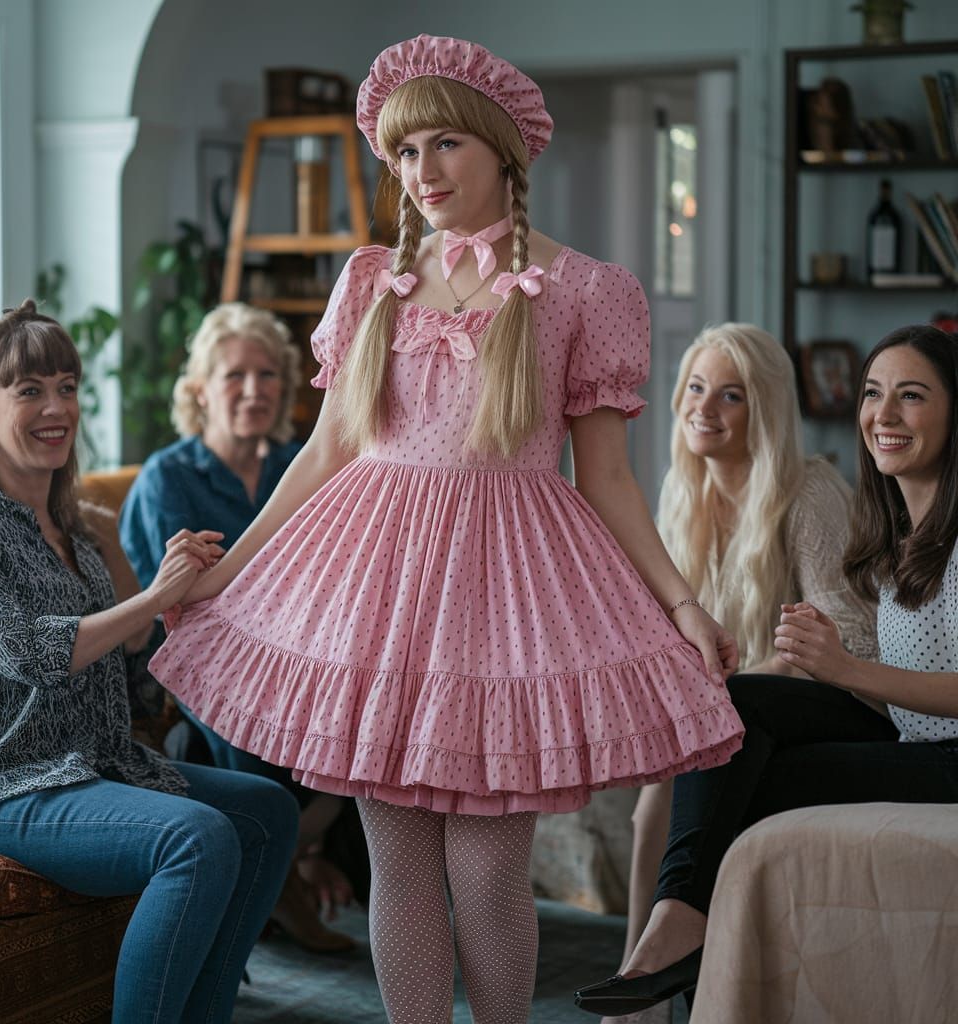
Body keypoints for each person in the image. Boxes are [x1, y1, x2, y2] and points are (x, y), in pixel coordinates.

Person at [148, 34, 745, 1024]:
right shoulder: (370, 280)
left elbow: (605, 479)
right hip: (376, 591)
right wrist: (231, 572)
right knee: (400, 867)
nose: (422, 173)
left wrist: (679, 599)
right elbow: (327, 450)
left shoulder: (583, 291)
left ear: (501, 148)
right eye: (405, 153)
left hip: (503, 596)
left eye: (443, 147)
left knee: (485, 875)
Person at [574, 323, 958, 1018]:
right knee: (735, 714)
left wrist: (844, 668)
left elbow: (863, 657)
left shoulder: (855, 508)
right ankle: (677, 923)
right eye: (873, 394)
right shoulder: (898, 530)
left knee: (742, 778)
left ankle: (685, 957)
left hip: (946, 752)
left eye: (912, 396)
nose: (883, 415)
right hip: (909, 734)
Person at [0, 301, 299, 1024]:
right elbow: (27, 651)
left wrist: (170, 601)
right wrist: (149, 599)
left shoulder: (80, 529)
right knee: (196, 838)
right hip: (3, 786)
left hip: (96, 766)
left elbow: (134, 672)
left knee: (267, 810)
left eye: (67, 386)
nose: (55, 407)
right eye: (29, 390)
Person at [619, 323, 878, 1016]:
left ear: (761, 409)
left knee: (668, 795)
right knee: (650, 801)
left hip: (825, 704)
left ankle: (647, 992)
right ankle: (640, 985)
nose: (705, 408)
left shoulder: (810, 494)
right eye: (696, 388)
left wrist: (734, 684)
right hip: (724, 711)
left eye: (730, 396)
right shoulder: (683, 492)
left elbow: (849, 636)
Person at [120, 301, 362, 951]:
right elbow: (181, 607)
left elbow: (332, 575)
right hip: (190, 655)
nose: (252, 390)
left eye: (267, 375)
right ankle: (285, 868)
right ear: (200, 390)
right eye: (233, 376)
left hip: (297, 646)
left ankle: (302, 847)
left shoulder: (297, 466)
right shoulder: (167, 477)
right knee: (239, 689)